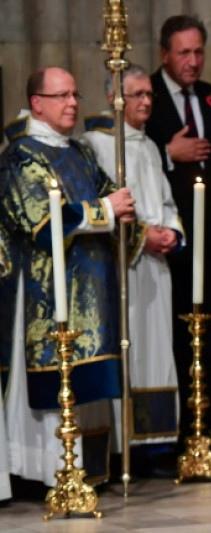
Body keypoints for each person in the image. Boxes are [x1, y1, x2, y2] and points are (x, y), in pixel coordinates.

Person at [0, 66, 136, 487]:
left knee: (86, 385)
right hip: (44, 289)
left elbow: (114, 196)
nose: (73, 103)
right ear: (37, 103)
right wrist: (107, 210)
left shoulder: (80, 152)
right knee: (51, 384)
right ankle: (44, 472)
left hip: (91, 289)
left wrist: (128, 216)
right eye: (62, 96)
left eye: (75, 94)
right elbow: (41, 222)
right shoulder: (21, 155)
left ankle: (86, 472)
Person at [145, 15, 211, 463]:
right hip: (165, 240)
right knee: (173, 334)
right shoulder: (144, 94)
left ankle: (202, 431)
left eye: (199, 51)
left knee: (207, 330)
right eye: (184, 52)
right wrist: (169, 153)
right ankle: (170, 434)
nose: (193, 60)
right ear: (164, 54)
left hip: (210, 237)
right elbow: (129, 154)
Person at [81, 65, 184, 477]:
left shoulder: (150, 145)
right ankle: (126, 448)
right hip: (123, 266)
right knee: (132, 351)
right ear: (114, 97)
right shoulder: (97, 144)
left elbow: (167, 202)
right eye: (136, 94)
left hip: (155, 266)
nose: (145, 101)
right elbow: (104, 208)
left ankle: (156, 445)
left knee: (157, 355)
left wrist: (172, 231)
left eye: (149, 94)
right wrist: (143, 236)